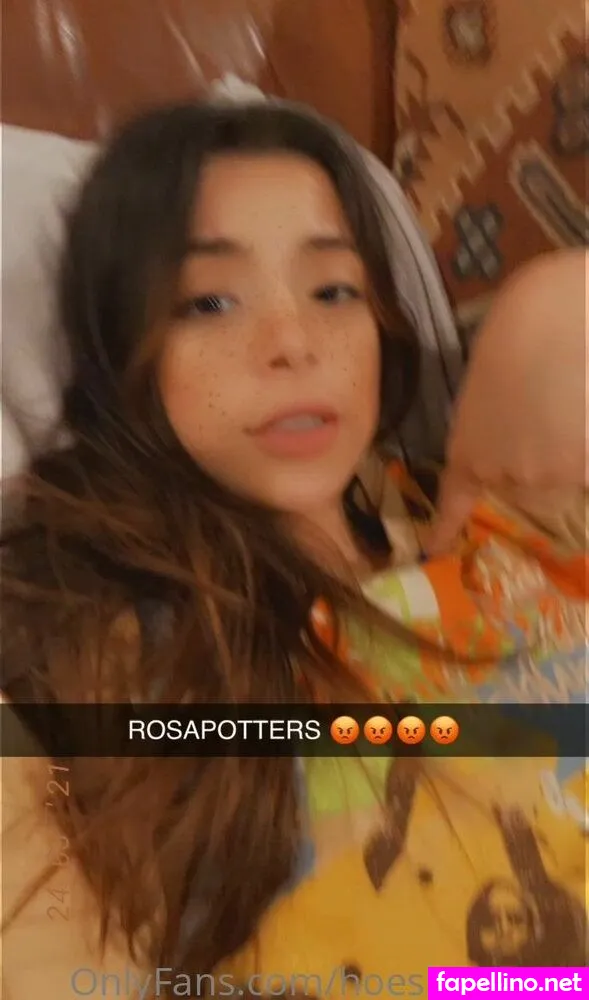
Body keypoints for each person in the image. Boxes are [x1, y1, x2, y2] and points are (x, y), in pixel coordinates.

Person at [1, 102, 586, 997]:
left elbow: (565, 309)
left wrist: (471, 477)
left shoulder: (493, 527)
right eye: (209, 301)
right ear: (123, 349)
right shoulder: (84, 645)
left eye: (333, 290)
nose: (293, 343)